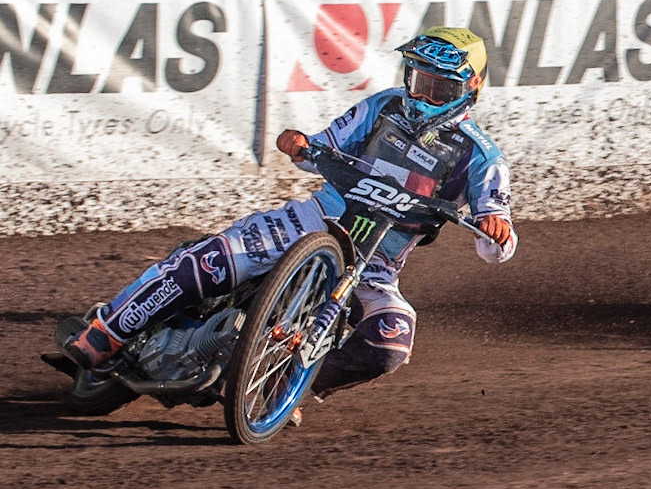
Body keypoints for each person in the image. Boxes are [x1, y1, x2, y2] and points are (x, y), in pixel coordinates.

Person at [55, 29, 518, 407]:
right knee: (212, 261)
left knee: (391, 340)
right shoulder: (383, 106)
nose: (423, 94)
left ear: (471, 86)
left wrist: (498, 230)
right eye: (418, 80)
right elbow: (318, 149)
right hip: (310, 222)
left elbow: (495, 239)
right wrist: (299, 144)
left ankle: (285, 388)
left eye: (438, 86)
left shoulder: (480, 157)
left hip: (374, 265)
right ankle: (108, 331)